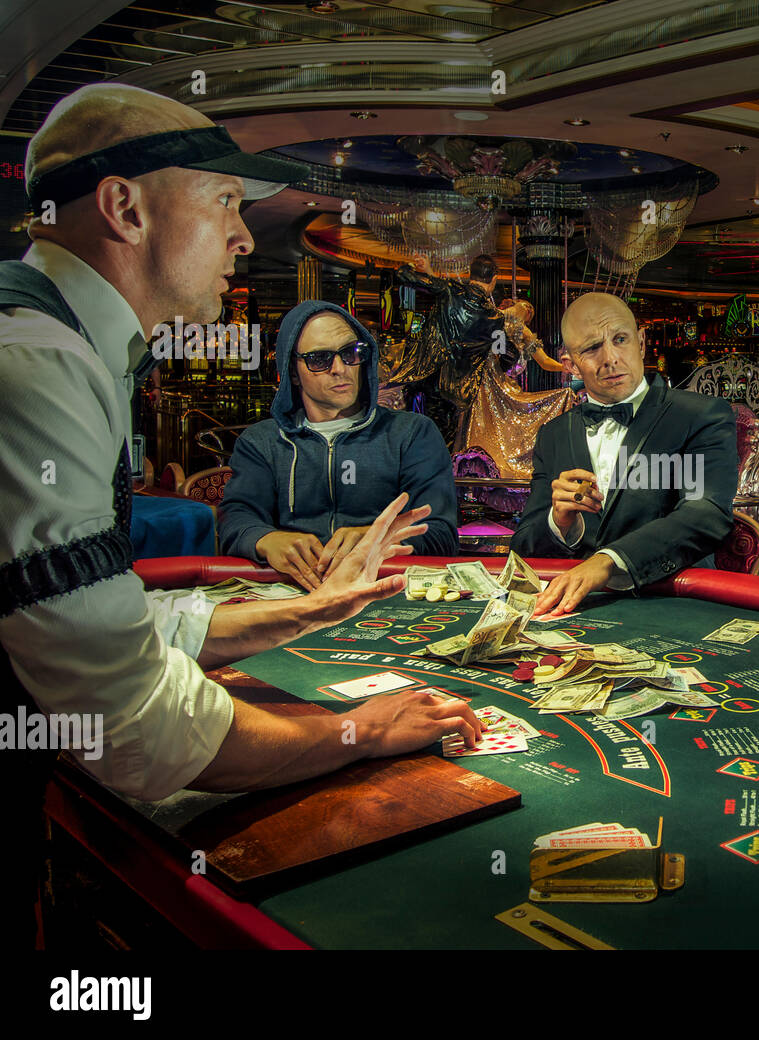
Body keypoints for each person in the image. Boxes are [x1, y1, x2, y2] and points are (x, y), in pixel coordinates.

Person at [0, 84, 483, 944]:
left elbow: (79, 615)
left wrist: (278, 618)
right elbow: (132, 724)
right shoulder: (39, 368)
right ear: (124, 207)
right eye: (223, 200)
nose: (242, 235)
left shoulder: (62, 343)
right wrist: (354, 731)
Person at [511, 292, 739, 615]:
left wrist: (608, 561)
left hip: (673, 608)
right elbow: (523, 546)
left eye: (620, 339)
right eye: (592, 348)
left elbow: (704, 514)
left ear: (641, 342)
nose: (611, 358)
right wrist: (559, 522)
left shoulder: (699, 416)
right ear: (570, 365)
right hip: (576, 616)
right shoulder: (553, 435)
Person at [219, 301, 459, 589]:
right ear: (292, 372)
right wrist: (264, 539)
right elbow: (235, 520)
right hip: (290, 592)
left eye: (350, 353)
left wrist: (375, 539)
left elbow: (441, 533)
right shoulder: (262, 442)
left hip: (384, 590)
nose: (340, 368)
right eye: (319, 359)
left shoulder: (412, 433)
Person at [390, 254, 568, 455]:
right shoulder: (494, 317)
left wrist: (421, 268)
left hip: (426, 379)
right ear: (493, 279)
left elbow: (405, 275)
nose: (525, 311)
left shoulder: (452, 291)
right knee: (442, 442)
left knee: (420, 437)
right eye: (524, 307)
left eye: (528, 310)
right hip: (462, 387)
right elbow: (505, 352)